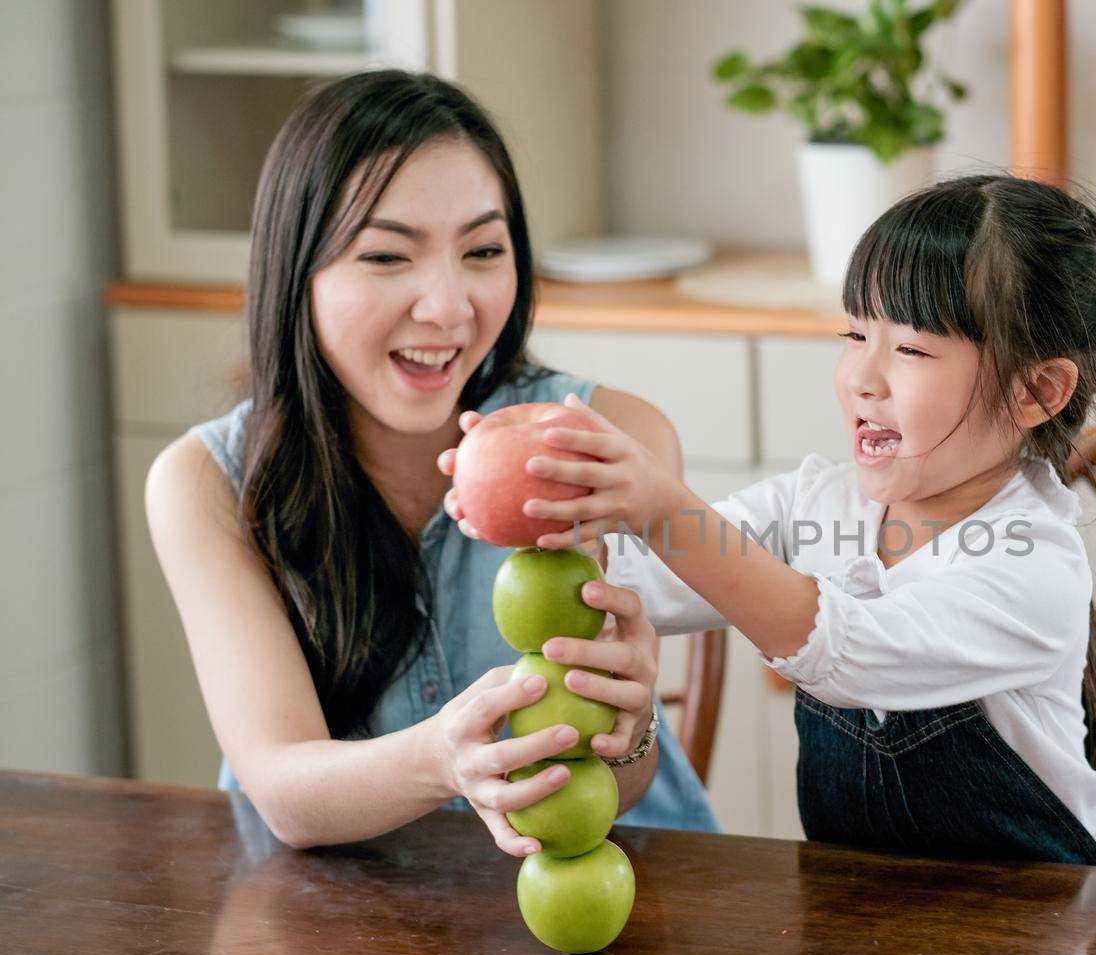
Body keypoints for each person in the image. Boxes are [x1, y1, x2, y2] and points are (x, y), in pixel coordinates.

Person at [445, 176, 1096, 867]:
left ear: (1037, 390)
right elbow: (645, 581)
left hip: (1056, 926)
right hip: (871, 921)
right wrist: (550, 510)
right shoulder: (816, 505)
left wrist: (660, 504)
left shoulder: (1032, 565)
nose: (862, 377)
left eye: (910, 348)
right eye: (855, 333)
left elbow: (843, 650)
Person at [145, 70, 717, 858]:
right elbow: (284, 791)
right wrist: (444, 758)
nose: (448, 307)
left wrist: (629, 725)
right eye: (386, 256)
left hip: (615, 900)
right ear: (294, 271)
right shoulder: (206, 484)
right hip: (346, 931)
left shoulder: (609, 439)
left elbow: (618, 775)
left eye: (483, 249)